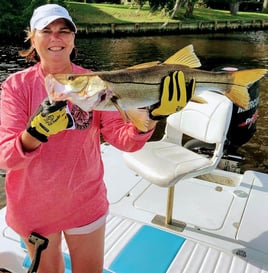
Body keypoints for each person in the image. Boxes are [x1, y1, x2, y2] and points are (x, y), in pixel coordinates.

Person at [0, 4, 194, 273]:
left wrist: (151, 117)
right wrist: (35, 132)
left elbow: (124, 140)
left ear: (73, 37)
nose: (56, 37)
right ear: (33, 38)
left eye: (64, 30)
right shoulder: (15, 87)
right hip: (33, 207)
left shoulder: (96, 83)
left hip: (84, 201)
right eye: (46, 31)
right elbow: (6, 158)